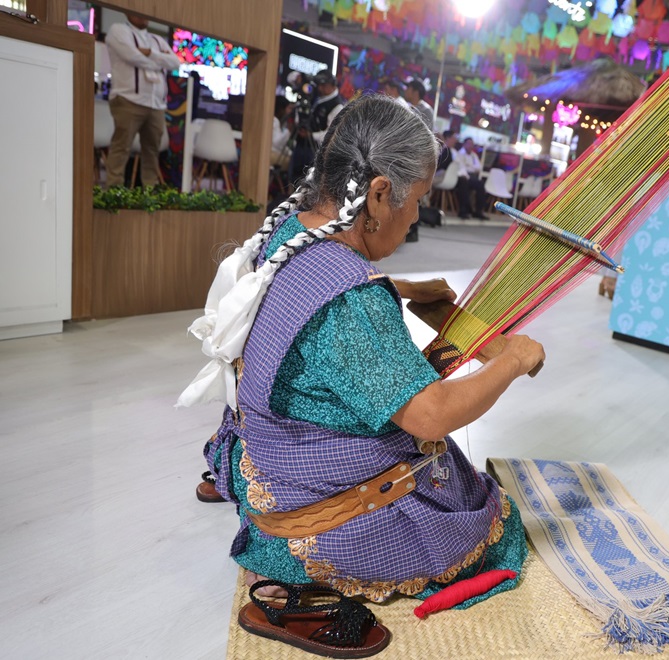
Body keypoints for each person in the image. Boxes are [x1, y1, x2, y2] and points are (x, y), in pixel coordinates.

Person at [179, 96, 543, 618]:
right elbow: (431, 415)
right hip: (308, 498)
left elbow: (308, 294)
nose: (418, 214)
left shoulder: (291, 230)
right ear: (376, 197)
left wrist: (396, 286)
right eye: (417, 198)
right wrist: (512, 359)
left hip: (264, 449)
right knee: (477, 510)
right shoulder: (354, 302)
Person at [104, 13, 180, 187]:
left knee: (152, 152)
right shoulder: (118, 31)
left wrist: (150, 53)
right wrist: (159, 62)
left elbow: (175, 62)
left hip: (156, 104)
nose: (143, 16)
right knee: (121, 148)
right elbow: (132, 56)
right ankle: (113, 192)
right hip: (128, 100)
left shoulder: (157, 40)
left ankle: (149, 194)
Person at [290, 72, 345, 181]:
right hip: (300, 144)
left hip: (315, 149)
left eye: (324, 85)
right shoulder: (315, 96)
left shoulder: (337, 106)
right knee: (293, 176)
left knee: (308, 181)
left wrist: (311, 135)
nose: (320, 88)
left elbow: (331, 134)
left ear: (333, 85)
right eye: (318, 85)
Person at [455, 137, 488, 219]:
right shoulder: (459, 154)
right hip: (460, 176)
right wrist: (471, 168)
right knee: (464, 183)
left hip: (472, 176)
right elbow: (461, 167)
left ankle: (478, 211)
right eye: (469, 144)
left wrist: (469, 166)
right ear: (464, 144)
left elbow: (479, 167)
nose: (471, 146)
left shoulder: (474, 155)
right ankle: (463, 210)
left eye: (472, 144)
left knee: (480, 184)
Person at [270, 96, 294, 168]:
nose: (290, 111)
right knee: (294, 162)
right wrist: (289, 131)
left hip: (275, 151)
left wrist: (290, 153)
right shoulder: (274, 121)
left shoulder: (280, 121)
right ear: (281, 109)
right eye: (289, 108)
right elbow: (276, 143)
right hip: (271, 153)